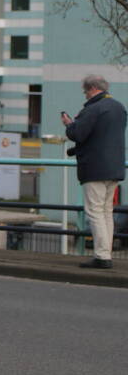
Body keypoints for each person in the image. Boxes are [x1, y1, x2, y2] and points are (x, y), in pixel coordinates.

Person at [62, 75, 127, 269]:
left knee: (95, 212)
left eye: (85, 91)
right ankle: (105, 253)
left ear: (91, 89)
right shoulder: (119, 107)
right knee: (107, 212)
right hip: (114, 167)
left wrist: (69, 125)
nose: (85, 95)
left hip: (95, 168)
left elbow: (78, 134)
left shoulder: (93, 109)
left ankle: (102, 257)